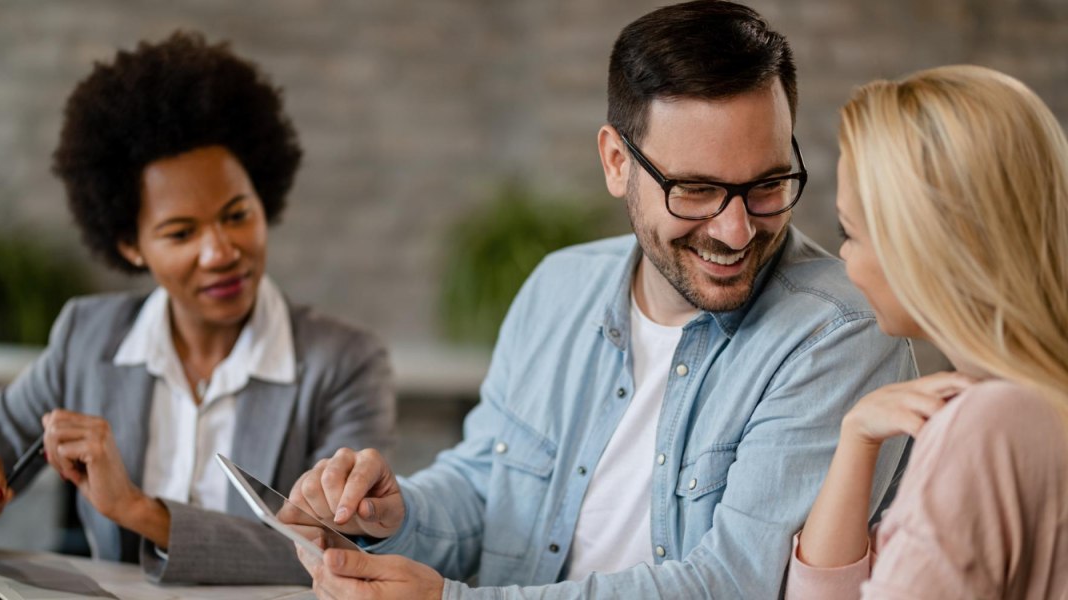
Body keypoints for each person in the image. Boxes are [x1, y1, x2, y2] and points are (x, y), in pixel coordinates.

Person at [283, 2, 916, 598]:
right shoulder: (559, 287)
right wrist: (392, 512)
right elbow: (485, 489)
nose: (736, 229)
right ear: (617, 162)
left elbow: (734, 583)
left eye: (767, 184)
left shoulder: (840, 330)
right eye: (694, 190)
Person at [0, 31, 396, 586]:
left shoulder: (343, 363)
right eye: (180, 232)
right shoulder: (88, 341)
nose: (220, 252)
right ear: (130, 244)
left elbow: (334, 551)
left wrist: (137, 510)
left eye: (237, 214)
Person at [785, 65, 1068, 598]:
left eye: (851, 233)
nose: (844, 260)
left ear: (921, 244)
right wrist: (856, 437)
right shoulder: (1027, 406)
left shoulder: (987, 427)